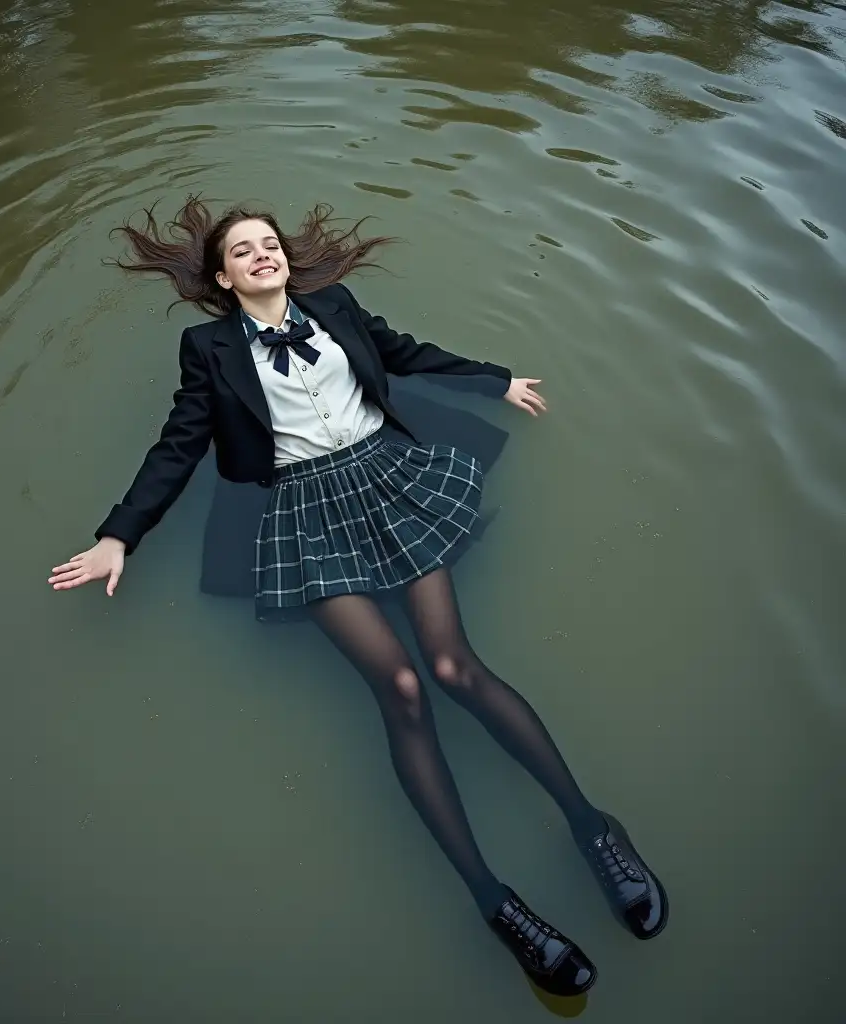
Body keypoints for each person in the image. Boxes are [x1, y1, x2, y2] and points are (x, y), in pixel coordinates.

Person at [48, 197, 667, 996]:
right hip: (305, 510)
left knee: (451, 667)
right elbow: (178, 444)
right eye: (244, 250)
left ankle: (592, 828)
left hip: (389, 478)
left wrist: (494, 379)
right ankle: (495, 900)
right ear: (223, 276)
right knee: (401, 688)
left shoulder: (332, 307)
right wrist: (117, 536)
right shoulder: (204, 349)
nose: (262, 255)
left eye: (269, 244)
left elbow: (401, 353)